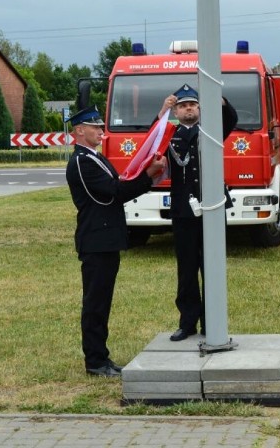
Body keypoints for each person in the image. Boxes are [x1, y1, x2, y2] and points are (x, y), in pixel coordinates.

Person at [65, 106, 167, 377]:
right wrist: (149, 177)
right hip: (96, 241)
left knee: (102, 302)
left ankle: (102, 357)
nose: (101, 130)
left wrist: (146, 174)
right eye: (95, 127)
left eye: (101, 126)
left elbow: (119, 183)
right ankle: (96, 361)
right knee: (95, 304)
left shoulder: (95, 158)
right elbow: (113, 192)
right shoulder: (81, 162)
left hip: (106, 240)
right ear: (79, 131)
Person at [157, 84, 238, 341]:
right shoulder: (170, 133)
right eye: (182, 106)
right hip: (183, 210)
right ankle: (188, 322)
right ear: (177, 111)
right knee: (187, 269)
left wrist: (219, 100)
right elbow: (152, 138)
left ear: (200, 109)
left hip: (211, 207)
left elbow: (230, 119)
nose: (188, 108)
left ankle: (212, 323)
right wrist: (162, 110)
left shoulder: (211, 131)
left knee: (212, 266)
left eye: (192, 104)